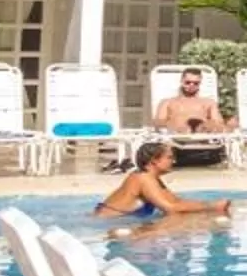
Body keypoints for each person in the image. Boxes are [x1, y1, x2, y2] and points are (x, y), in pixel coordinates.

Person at [95, 139, 232, 219]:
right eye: (169, 157)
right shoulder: (143, 178)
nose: (174, 161)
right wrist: (210, 207)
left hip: (120, 221)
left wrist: (210, 206)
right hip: (111, 223)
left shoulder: (151, 177)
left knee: (187, 220)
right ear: (154, 160)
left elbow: (176, 202)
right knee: (181, 224)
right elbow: (171, 208)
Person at [153, 70, 236, 137]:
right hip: (175, 139)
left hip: (204, 139)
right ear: (181, 81)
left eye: (196, 83)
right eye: (188, 82)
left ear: (200, 83)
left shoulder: (208, 102)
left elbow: (218, 122)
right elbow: (158, 122)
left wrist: (208, 126)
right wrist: (174, 126)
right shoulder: (167, 102)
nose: (191, 85)